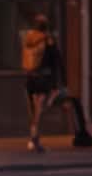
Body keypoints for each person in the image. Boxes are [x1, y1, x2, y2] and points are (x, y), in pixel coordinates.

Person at [22, 15, 62, 153]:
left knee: (33, 111)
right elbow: (56, 61)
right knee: (39, 111)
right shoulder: (48, 40)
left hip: (30, 78)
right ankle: (34, 138)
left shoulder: (28, 38)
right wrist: (57, 83)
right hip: (44, 79)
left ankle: (33, 138)